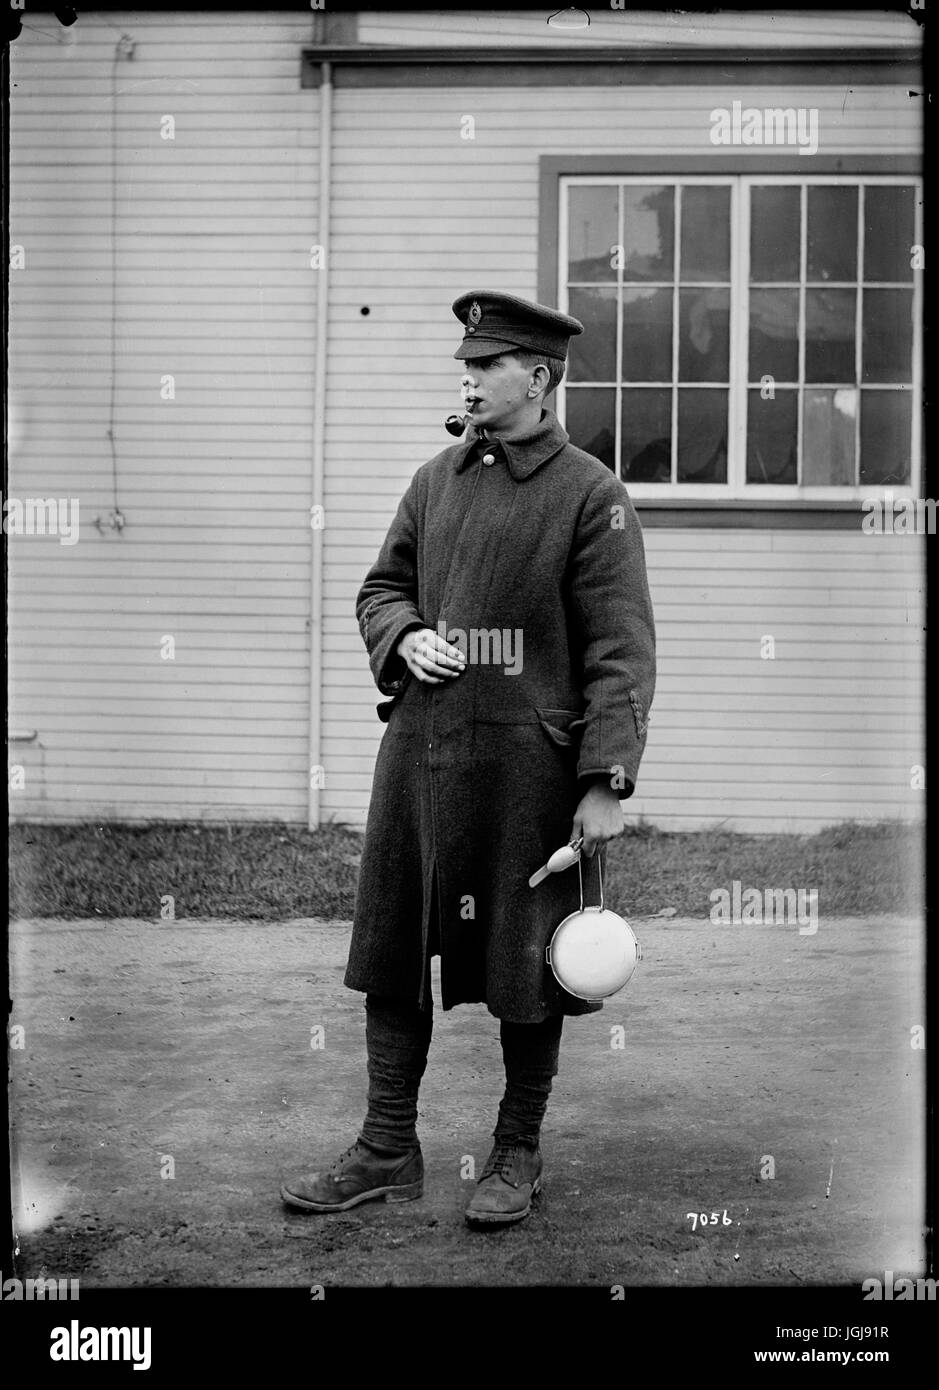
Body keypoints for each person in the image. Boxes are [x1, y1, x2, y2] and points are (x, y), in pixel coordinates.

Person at [281, 290, 656, 1226]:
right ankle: (384, 1147)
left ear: (536, 377)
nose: (468, 377)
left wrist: (604, 780)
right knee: (393, 952)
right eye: (465, 364)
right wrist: (402, 635)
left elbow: (620, 651)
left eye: (485, 364)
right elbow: (380, 587)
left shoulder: (591, 494)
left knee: (530, 966)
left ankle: (517, 1151)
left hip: (528, 778)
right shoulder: (432, 481)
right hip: (420, 763)